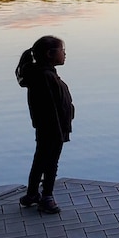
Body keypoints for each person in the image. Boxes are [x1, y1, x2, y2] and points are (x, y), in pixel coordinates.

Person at [15, 35, 74, 215]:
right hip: (52, 129)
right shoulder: (44, 76)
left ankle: (32, 194)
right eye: (62, 51)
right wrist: (58, 132)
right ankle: (46, 197)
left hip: (51, 128)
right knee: (50, 163)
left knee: (40, 160)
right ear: (50, 54)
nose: (65, 54)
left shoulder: (44, 74)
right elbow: (49, 107)